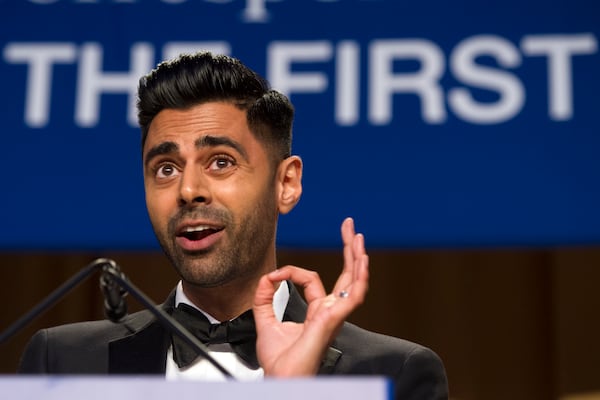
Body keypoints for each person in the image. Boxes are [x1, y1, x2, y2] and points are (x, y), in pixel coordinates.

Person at [18, 52, 448, 399]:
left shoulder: (391, 373)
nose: (188, 190)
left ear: (286, 183)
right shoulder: (64, 362)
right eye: (165, 168)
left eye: (221, 162)